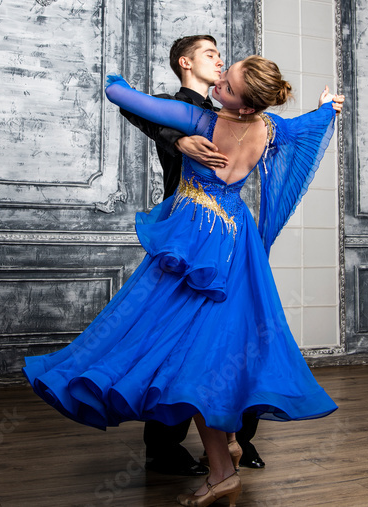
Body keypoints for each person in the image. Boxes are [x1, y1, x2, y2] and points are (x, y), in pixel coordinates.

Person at [24, 55, 344, 506]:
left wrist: (116, 73)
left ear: (246, 106)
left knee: (183, 349)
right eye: (224, 74)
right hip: (235, 240)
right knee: (214, 347)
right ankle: (227, 448)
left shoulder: (200, 118)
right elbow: (309, 126)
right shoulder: (271, 129)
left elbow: (119, 94)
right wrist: (327, 108)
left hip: (195, 240)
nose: (218, 87)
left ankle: (222, 468)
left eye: (227, 88)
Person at [120, 35, 265, 475]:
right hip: (184, 239)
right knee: (175, 338)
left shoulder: (239, 106)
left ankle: (238, 439)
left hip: (229, 237)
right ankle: (163, 447)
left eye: (221, 55)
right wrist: (176, 140)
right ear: (185, 63)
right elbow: (129, 104)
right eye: (209, 53)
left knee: (235, 334)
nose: (219, 59)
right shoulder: (175, 106)